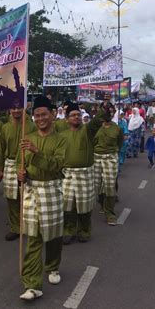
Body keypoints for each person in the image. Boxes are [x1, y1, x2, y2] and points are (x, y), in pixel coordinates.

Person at [17, 95, 67, 301]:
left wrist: (37, 153)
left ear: (52, 115)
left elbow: (57, 165)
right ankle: (32, 284)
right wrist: (22, 175)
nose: (40, 118)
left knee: (53, 235)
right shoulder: (26, 137)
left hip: (51, 190)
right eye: (36, 115)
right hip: (31, 191)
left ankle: (53, 266)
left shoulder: (61, 140)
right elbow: (22, 164)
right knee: (33, 237)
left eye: (44, 114)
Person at [60, 102, 104, 244]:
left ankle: (84, 230)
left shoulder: (87, 130)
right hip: (66, 175)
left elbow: (97, 121)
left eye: (78, 115)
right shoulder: (61, 135)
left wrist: (104, 107)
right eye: (73, 115)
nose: (76, 117)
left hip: (84, 174)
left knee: (84, 206)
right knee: (67, 206)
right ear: (67, 119)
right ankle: (68, 230)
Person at [0, 103, 36, 241]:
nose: (16, 110)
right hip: (9, 164)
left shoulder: (31, 126)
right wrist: (0, 169)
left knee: (27, 198)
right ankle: (15, 227)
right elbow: (1, 150)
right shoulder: (5, 127)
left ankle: (29, 225)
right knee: (12, 199)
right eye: (13, 108)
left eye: (19, 107)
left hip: (27, 163)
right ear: (9, 110)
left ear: (24, 108)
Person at [94, 107, 124, 226]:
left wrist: (113, 153)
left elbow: (120, 143)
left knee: (110, 185)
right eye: (105, 111)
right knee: (98, 185)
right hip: (96, 157)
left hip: (110, 158)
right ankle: (102, 205)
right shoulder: (94, 127)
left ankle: (110, 213)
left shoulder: (117, 128)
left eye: (110, 111)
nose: (107, 113)